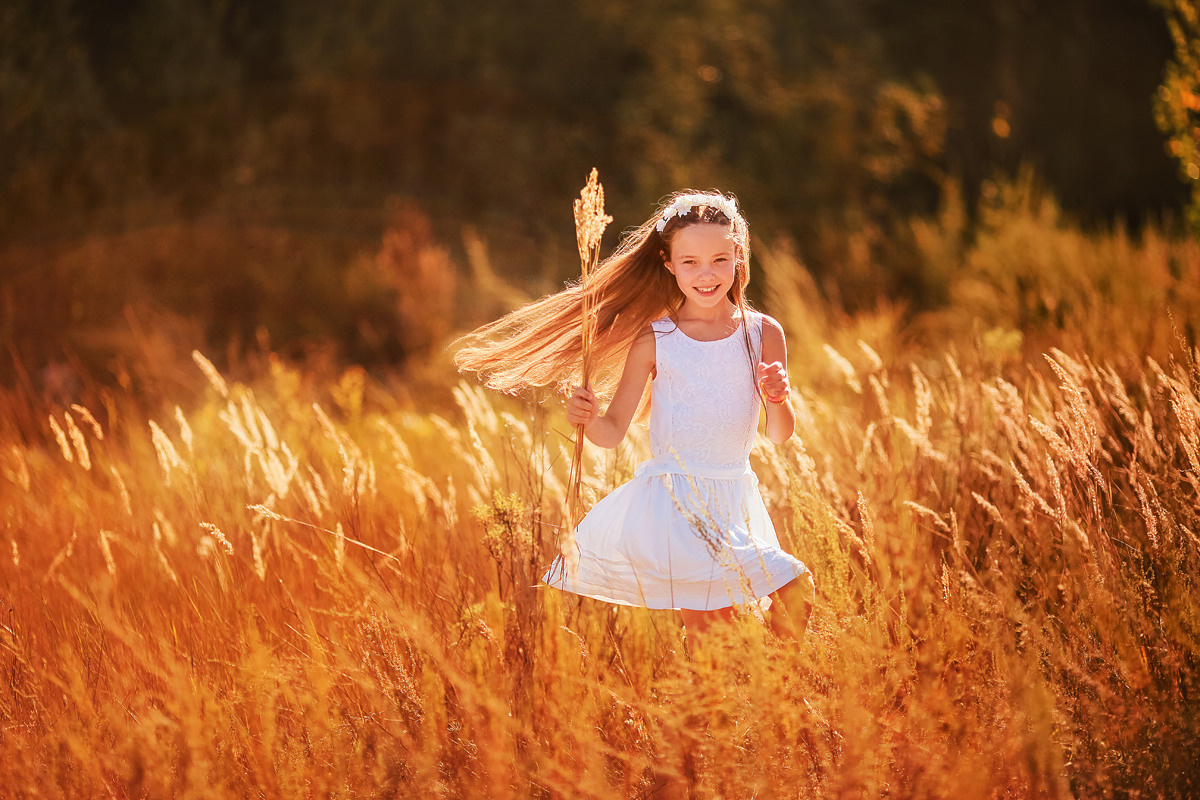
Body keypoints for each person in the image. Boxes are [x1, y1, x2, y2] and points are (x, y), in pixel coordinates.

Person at [455, 190, 814, 638]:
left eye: (720, 260)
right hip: (677, 506)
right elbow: (610, 433)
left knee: (766, 616)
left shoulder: (763, 333)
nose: (707, 274)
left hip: (735, 498)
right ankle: (750, 703)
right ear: (668, 263)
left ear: (738, 256)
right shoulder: (657, 338)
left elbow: (780, 435)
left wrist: (778, 400)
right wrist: (586, 417)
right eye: (691, 262)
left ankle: (765, 701)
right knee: (728, 631)